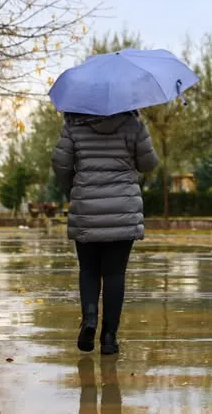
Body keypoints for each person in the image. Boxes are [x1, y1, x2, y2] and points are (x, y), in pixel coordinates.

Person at [52, 110, 159, 355]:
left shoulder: (73, 123)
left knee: (88, 270)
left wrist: (73, 188)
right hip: (123, 208)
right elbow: (149, 163)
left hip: (86, 206)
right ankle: (109, 337)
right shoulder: (132, 124)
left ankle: (89, 318)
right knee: (114, 274)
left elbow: (60, 163)